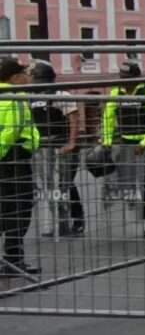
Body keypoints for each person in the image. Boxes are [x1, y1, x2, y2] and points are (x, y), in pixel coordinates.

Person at [102, 60, 145, 238]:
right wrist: (107, 140)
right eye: (122, 78)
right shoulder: (115, 93)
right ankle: (134, 221)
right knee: (127, 186)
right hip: (125, 144)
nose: (124, 82)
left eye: (128, 78)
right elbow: (108, 119)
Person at [27, 60, 84, 237]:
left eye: (33, 76)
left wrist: (72, 142)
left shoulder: (61, 94)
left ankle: (77, 221)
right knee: (49, 186)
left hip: (61, 145)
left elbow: (73, 119)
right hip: (42, 148)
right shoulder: (32, 96)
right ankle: (60, 223)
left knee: (65, 185)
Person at [0, 58, 41, 275]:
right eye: (24, 73)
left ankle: (11, 260)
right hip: (13, 159)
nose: (28, 76)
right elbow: (11, 130)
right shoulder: (14, 97)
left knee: (6, 208)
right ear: (15, 77)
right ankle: (13, 260)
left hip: (9, 157)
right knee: (19, 209)